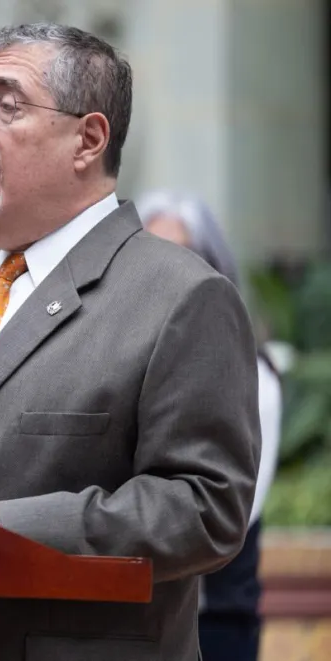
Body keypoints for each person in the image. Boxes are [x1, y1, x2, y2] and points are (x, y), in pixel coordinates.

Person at [0, 23, 261, 661]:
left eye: (7, 102)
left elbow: (206, 508)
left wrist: (8, 528)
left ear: (89, 139)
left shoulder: (182, 296)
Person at [137, 190, 282, 661]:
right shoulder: (128, 366)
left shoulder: (252, 375)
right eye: (149, 255)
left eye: (183, 255)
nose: (167, 274)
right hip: (135, 624)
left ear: (214, 266)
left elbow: (224, 512)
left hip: (213, 622)